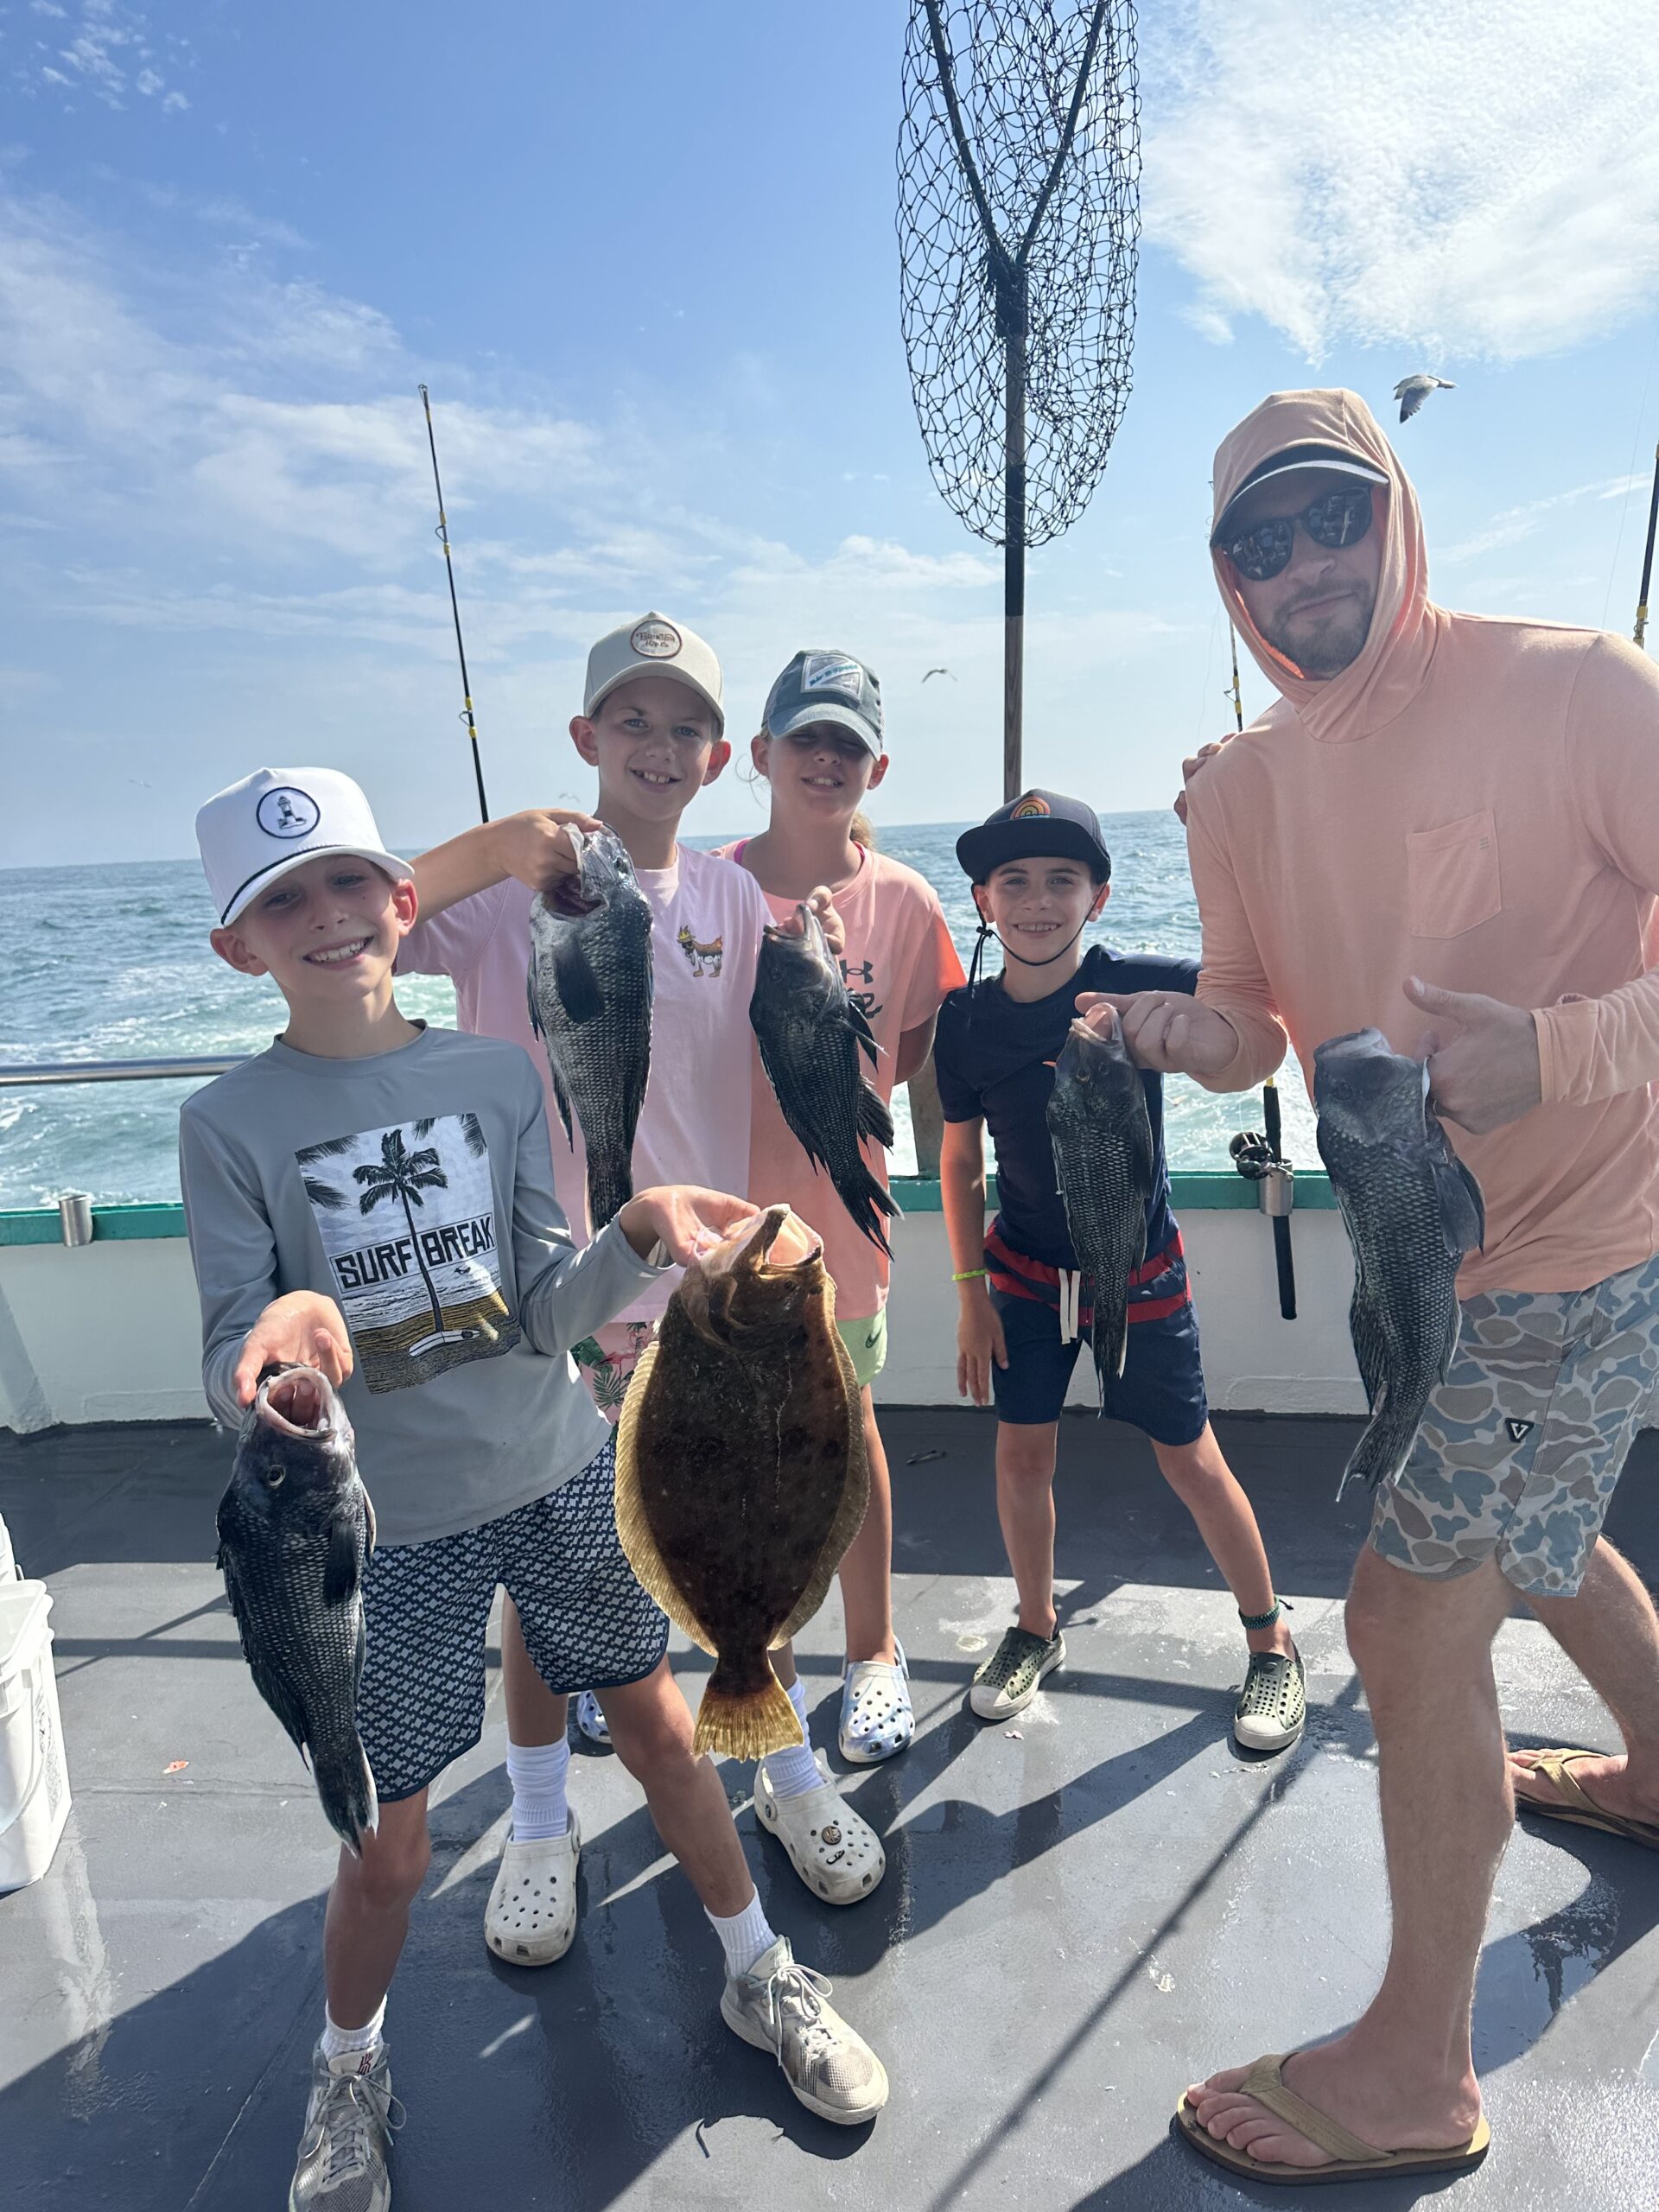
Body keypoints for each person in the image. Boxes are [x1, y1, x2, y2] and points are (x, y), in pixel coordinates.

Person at [181, 767, 892, 2210]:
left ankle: (759, 1969)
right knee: (389, 1851)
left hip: (560, 1470)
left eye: (347, 881)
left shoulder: (496, 1078)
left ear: (403, 901)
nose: (325, 915)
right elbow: (229, 1354)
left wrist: (638, 1227)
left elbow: (549, 1314)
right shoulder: (225, 1121)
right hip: (392, 1531)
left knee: (668, 1737)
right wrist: (279, 1352)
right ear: (239, 946)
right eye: (282, 900)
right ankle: (349, 2066)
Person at [1113, 389, 1659, 2183]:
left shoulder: (1582, 689)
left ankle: (1420, 2067)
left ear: (1395, 510)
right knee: (1537, 1531)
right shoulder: (1239, 787)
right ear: (1228, 578)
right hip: (1421, 1271)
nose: (1303, 565)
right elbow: (1250, 1017)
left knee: (1410, 1624)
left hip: (1581, 1254)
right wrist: (1173, 1036)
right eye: (1258, 543)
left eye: (1331, 516)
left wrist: (1560, 1052)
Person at [399, 614, 884, 1935]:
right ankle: (538, 1818)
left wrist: (830, 946)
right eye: (633, 723)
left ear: (721, 757)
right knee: (545, 1568)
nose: (658, 749)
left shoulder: (728, 898)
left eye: (684, 730)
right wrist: (497, 847)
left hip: (700, 1295)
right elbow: (375, 927)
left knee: (753, 1521)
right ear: (585, 737)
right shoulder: (511, 895)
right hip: (540, 1289)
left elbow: (808, 1012)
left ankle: (784, 1768)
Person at [930, 790, 1304, 1749]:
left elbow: (1253, 997)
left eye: (1063, 880)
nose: (1037, 900)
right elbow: (961, 1162)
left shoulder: (1140, 983)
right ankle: (1035, 1625)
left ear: (1097, 898)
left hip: (1138, 1275)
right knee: (1022, 1455)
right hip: (1021, 1277)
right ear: (981, 900)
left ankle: (1270, 1639)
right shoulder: (963, 1020)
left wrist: (1235, 839)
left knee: (1190, 1456)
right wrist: (969, 1295)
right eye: (1014, 881)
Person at [715, 649, 964, 1859]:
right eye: (803, 739)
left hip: (843, 1237)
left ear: (877, 768)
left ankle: (874, 1653)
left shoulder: (907, 903)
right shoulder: (701, 891)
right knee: (733, 1462)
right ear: (761, 756)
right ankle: (760, 1665)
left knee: (846, 1431)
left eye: (847, 745)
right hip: (718, 1240)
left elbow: (914, 1060)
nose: (825, 760)